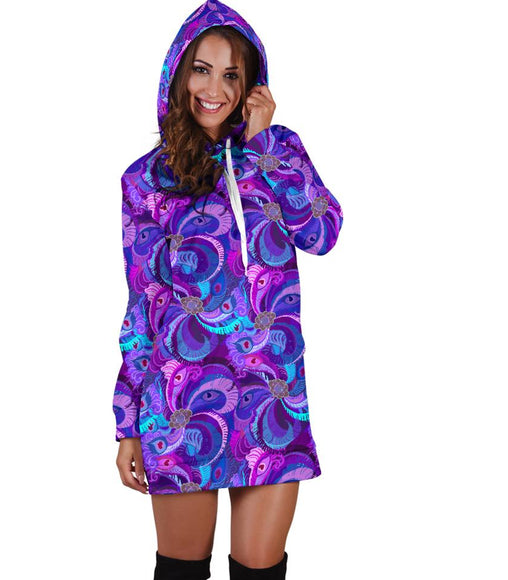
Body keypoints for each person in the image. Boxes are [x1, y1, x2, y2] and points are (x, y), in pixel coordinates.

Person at [113, 1, 344, 578]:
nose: (214, 89)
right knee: (182, 572)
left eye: (231, 75)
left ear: (250, 86)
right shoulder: (145, 180)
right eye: (201, 69)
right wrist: (127, 421)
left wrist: (264, 149)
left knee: (260, 570)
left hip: (271, 399)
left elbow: (322, 233)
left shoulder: (279, 149)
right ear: (178, 73)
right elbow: (142, 305)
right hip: (181, 407)